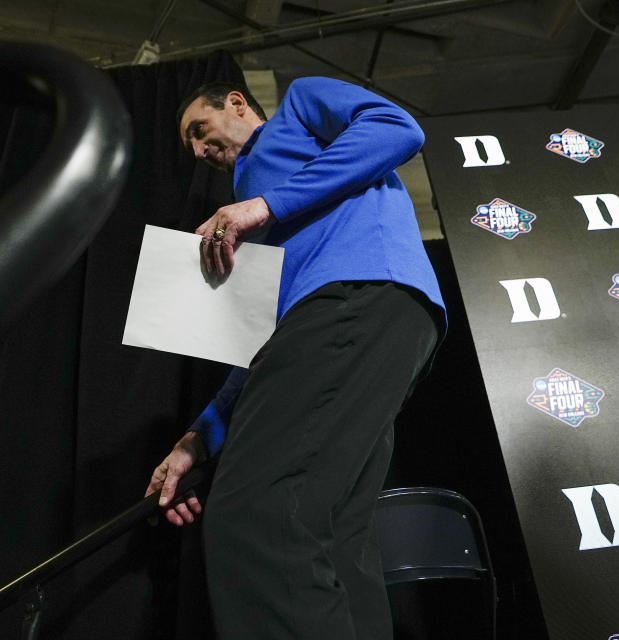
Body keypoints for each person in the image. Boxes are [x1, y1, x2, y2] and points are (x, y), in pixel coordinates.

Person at [144, 76, 445, 639]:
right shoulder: (250, 218)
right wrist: (198, 438)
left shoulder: (298, 109)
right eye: (191, 146)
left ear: (236, 103)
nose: (198, 151)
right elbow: (269, 344)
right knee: (332, 534)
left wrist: (263, 205)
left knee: (256, 513)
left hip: (360, 295)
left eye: (200, 131)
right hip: (350, 326)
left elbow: (398, 126)